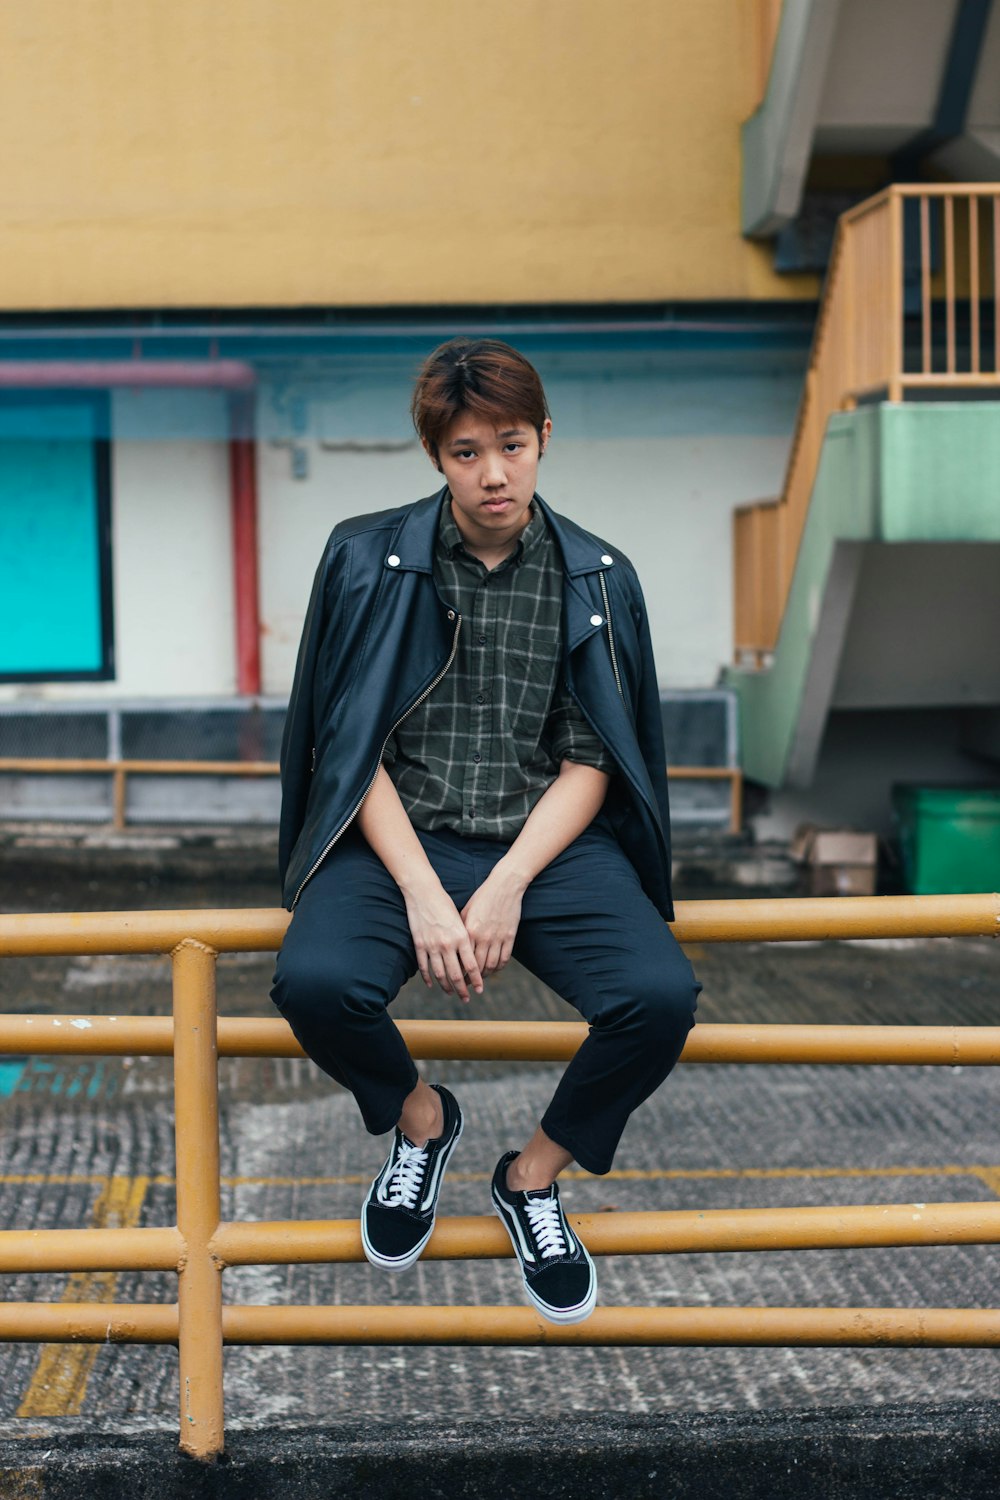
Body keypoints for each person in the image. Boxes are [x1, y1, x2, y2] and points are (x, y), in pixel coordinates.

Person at [272, 338, 700, 1324]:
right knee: (315, 982)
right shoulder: (364, 559)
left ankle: (531, 1179)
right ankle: (423, 1124)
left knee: (657, 996)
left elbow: (596, 759)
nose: (493, 473)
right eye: (466, 452)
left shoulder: (597, 576)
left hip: (544, 845)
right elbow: (349, 750)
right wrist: (427, 890)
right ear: (436, 457)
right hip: (396, 838)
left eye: (511, 444)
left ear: (544, 438)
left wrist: (503, 883)